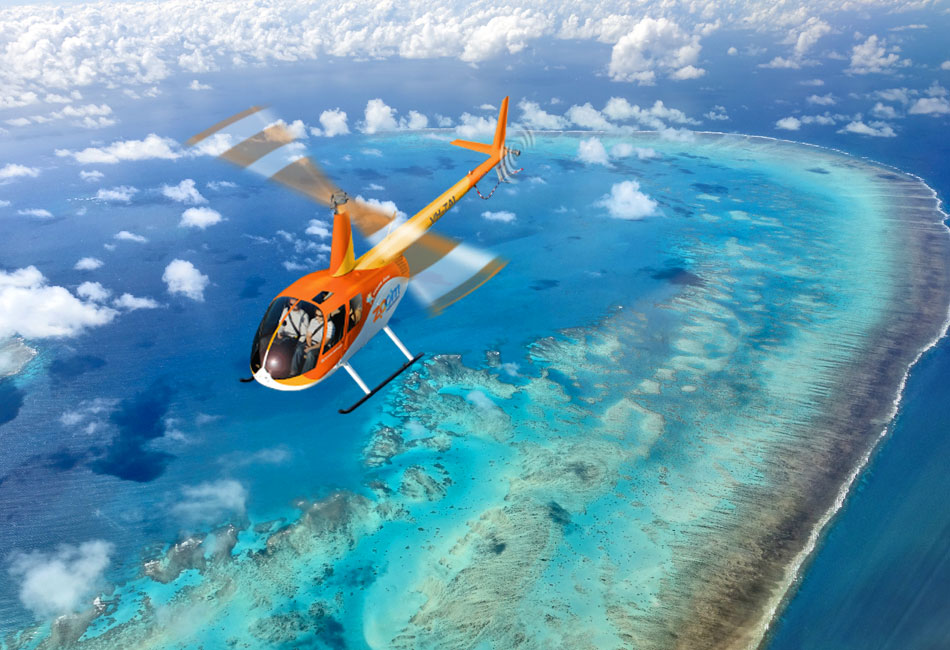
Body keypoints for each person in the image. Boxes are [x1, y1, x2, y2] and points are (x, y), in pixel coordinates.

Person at [276, 300, 310, 376]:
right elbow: (281, 323)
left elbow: (304, 333)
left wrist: (299, 343)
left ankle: (291, 371)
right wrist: (279, 332)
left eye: (296, 304)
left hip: (294, 338)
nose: (294, 306)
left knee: (285, 347)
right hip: (284, 335)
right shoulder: (286, 311)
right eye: (291, 304)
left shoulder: (304, 315)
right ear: (289, 304)